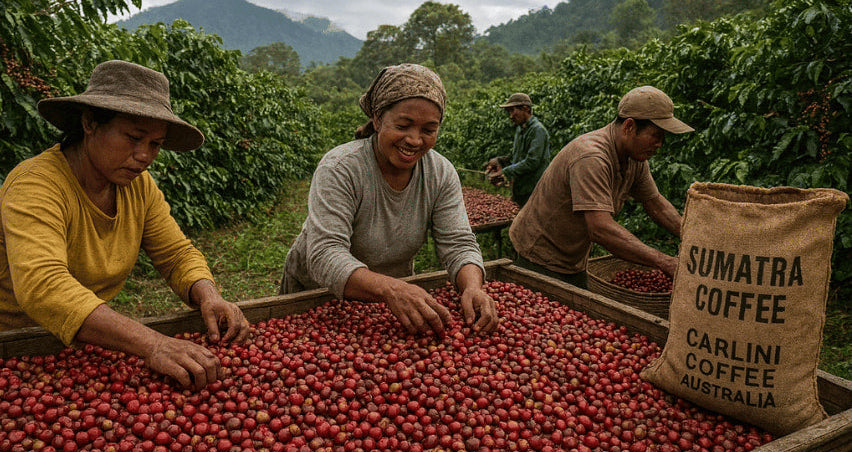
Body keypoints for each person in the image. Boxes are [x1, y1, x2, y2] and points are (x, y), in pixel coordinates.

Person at [0, 60, 250, 388]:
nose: (145, 156)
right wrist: (154, 344)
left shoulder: (138, 187)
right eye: (134, 137)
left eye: (155, 144)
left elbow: (176, 254)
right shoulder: (35, 186)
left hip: (71, 342)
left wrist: (208, 295)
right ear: (90, 123)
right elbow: (43, 286)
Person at [280, 63, 498, 336]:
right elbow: (325, 254)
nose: (415, 140)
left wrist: (472, 287)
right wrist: (391, 288)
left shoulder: (440, 173)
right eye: (403, 126)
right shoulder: (341, 168)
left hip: (390, 302)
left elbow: (458, 243)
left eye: (429, 130)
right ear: (377, 120)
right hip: (318, 297)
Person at [508, 85, 692, 289]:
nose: (660, 144)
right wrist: (664, 262)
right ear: (629, 127)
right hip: (538, 254)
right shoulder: (591, 157)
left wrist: (693, 237)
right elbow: (600, 229)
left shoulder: (635, 159)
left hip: (573, 258)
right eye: (656, 135)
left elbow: (656, 204)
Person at [483, 93, 551, 207]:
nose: (511, 116)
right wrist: (499, 161)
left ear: (526, 108)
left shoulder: (538, 130)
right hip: (520, 191)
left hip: (533, 191)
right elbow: (516, 157)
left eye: (512, 111)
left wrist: (505, 172)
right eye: (509, 112)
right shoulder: (520, 129)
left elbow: (532, 162)